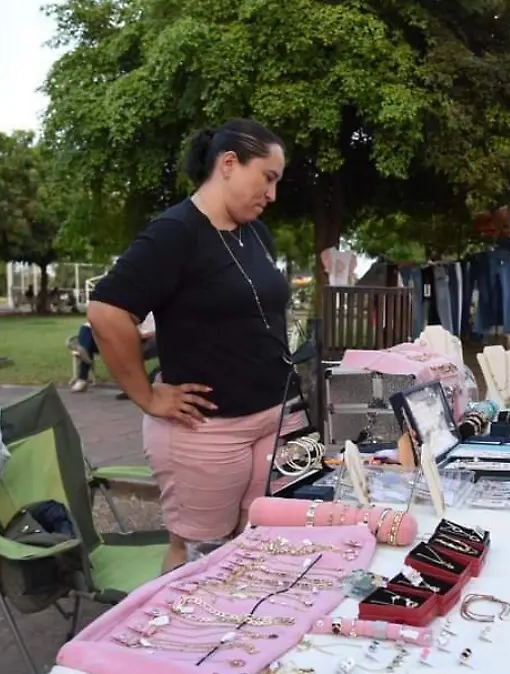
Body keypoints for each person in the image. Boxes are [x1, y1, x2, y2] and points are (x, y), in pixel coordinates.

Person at [87, 118, 299, 573]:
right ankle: (183, 645)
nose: (272, 194)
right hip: (208, 431)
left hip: (277, 416)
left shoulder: (255, 233)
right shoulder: (176, 232)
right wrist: (146, 395)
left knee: (266, 541)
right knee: (199, 559)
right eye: (268, 177)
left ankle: (248, 641)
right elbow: (106, 312)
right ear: (228, 164)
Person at [66, 313, 157, 393]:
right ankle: (83, 348)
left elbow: (151, 332)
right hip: (111, 341)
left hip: (131, 343)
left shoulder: (150, 314)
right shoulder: (122, 309)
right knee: (87, 328)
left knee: (88, 342)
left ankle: (82, 378)